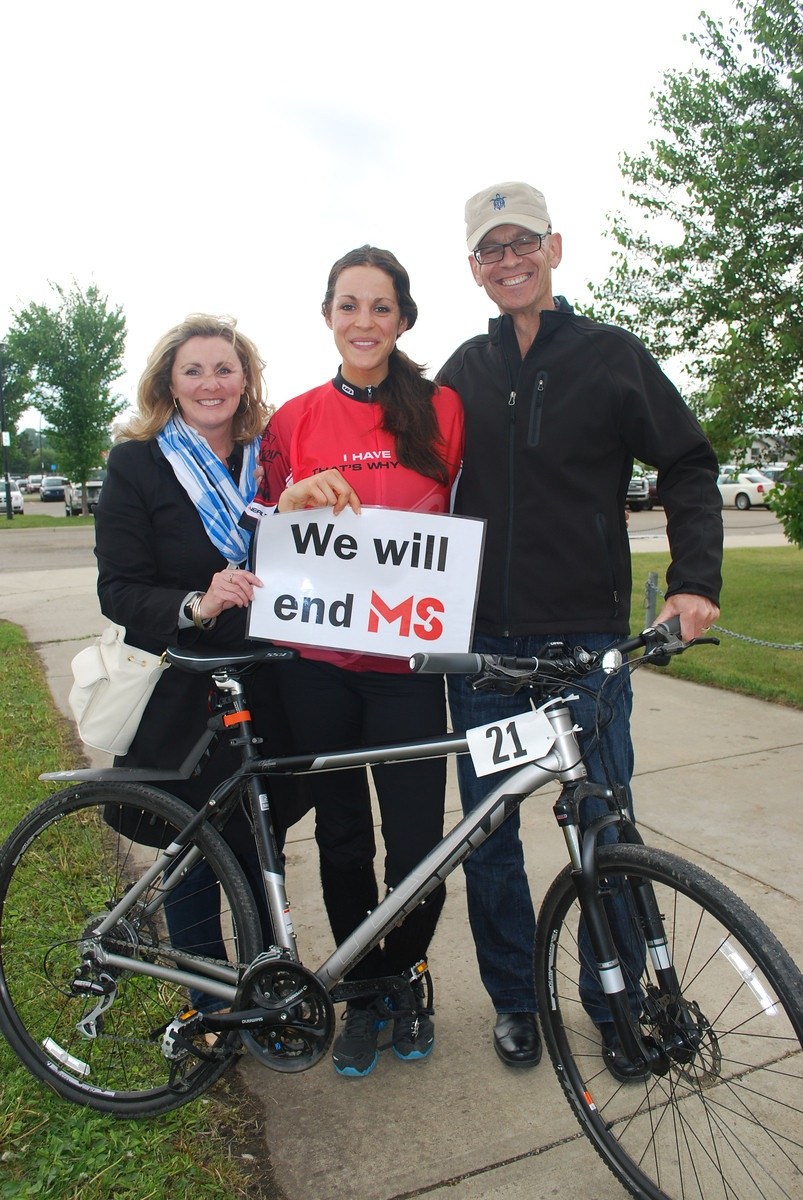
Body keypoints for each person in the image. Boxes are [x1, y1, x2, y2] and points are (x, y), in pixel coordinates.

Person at [437, 182, 723, 1075]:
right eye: (492, 248)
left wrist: (693, 584)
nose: (510, 260)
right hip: (482, 648)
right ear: (474, 268)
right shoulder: (460, 372)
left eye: (524, 242)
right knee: (489, 837)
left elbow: (686, 463)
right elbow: (404, 474)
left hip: (582, 648)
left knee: (604, 830)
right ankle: (518, 1002)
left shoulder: (610, 356)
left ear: (554, 249)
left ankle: (616, 1000)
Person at [94, 313, 351, 1009]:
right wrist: (194, 603)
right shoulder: (138, 462)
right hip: (185, 685)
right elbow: (116, 588)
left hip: (269, 677)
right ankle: (207, 1003)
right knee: (193, 852)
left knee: (259, 845)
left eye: (225, 369)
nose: (211, 383)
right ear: (169, 384)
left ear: (246, 380)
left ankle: (268, 990)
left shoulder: (268, 459)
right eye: (194, 370)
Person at [255, 246, 464, 1077]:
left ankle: (406, 973)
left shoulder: (445, 410)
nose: (364, 322)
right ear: (327, 316)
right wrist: (286, 504)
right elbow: (260, 535)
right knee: (342, 840)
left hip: (411, 668)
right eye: (349, 305)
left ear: (403, 319)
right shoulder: (293, 420)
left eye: (380, 307)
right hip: (320, 665)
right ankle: (361, 990)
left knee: (416, 845)